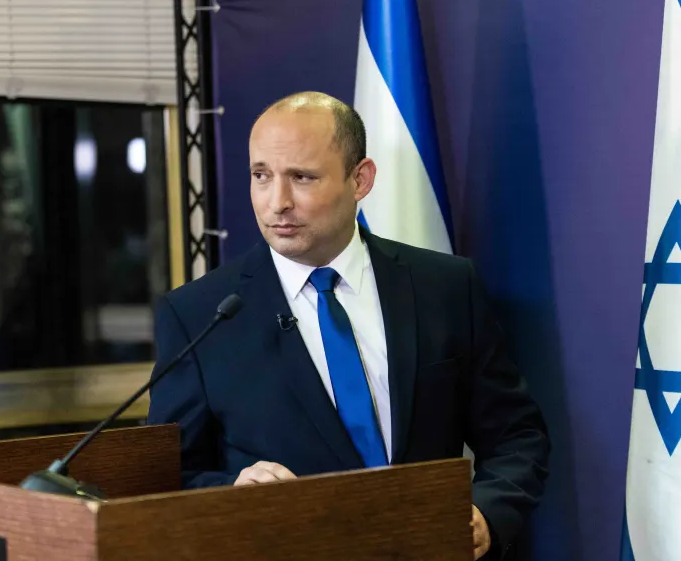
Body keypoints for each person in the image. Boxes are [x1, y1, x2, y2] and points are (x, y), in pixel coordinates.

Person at [147, 91, 550, 560]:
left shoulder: (444, 286)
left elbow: (515, 436)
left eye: (302, 177)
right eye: (261, 176)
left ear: (360, 180)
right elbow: (169, 476)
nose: (277, 202)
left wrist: (485, 513)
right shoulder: (200, 314)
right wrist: (232, 489)